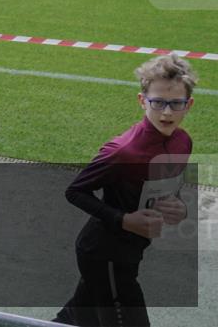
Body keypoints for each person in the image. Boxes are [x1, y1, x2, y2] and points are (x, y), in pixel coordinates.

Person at [53, 53, 196, 327]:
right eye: (158, 103)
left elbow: (169, 189)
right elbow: (75, 191)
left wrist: (179, 207)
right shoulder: (122, 151)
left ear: (188, 105)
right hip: (104, 254)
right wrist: (125, 220)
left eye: (176, 103)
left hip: (133, 250)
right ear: (143, 101)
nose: (167, 112)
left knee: (76, 319)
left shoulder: (183, 143)